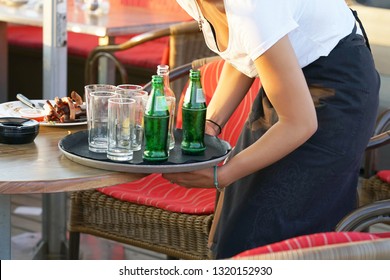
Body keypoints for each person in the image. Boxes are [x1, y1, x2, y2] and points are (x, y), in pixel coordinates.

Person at [163, 0, 380, 259]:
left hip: (337, 90)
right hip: (286, 82)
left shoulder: (255, 6)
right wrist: (210, 125)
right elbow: (243, 54)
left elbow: (300, 123)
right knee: (236, 226)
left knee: (277, 236)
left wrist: (222, 175)